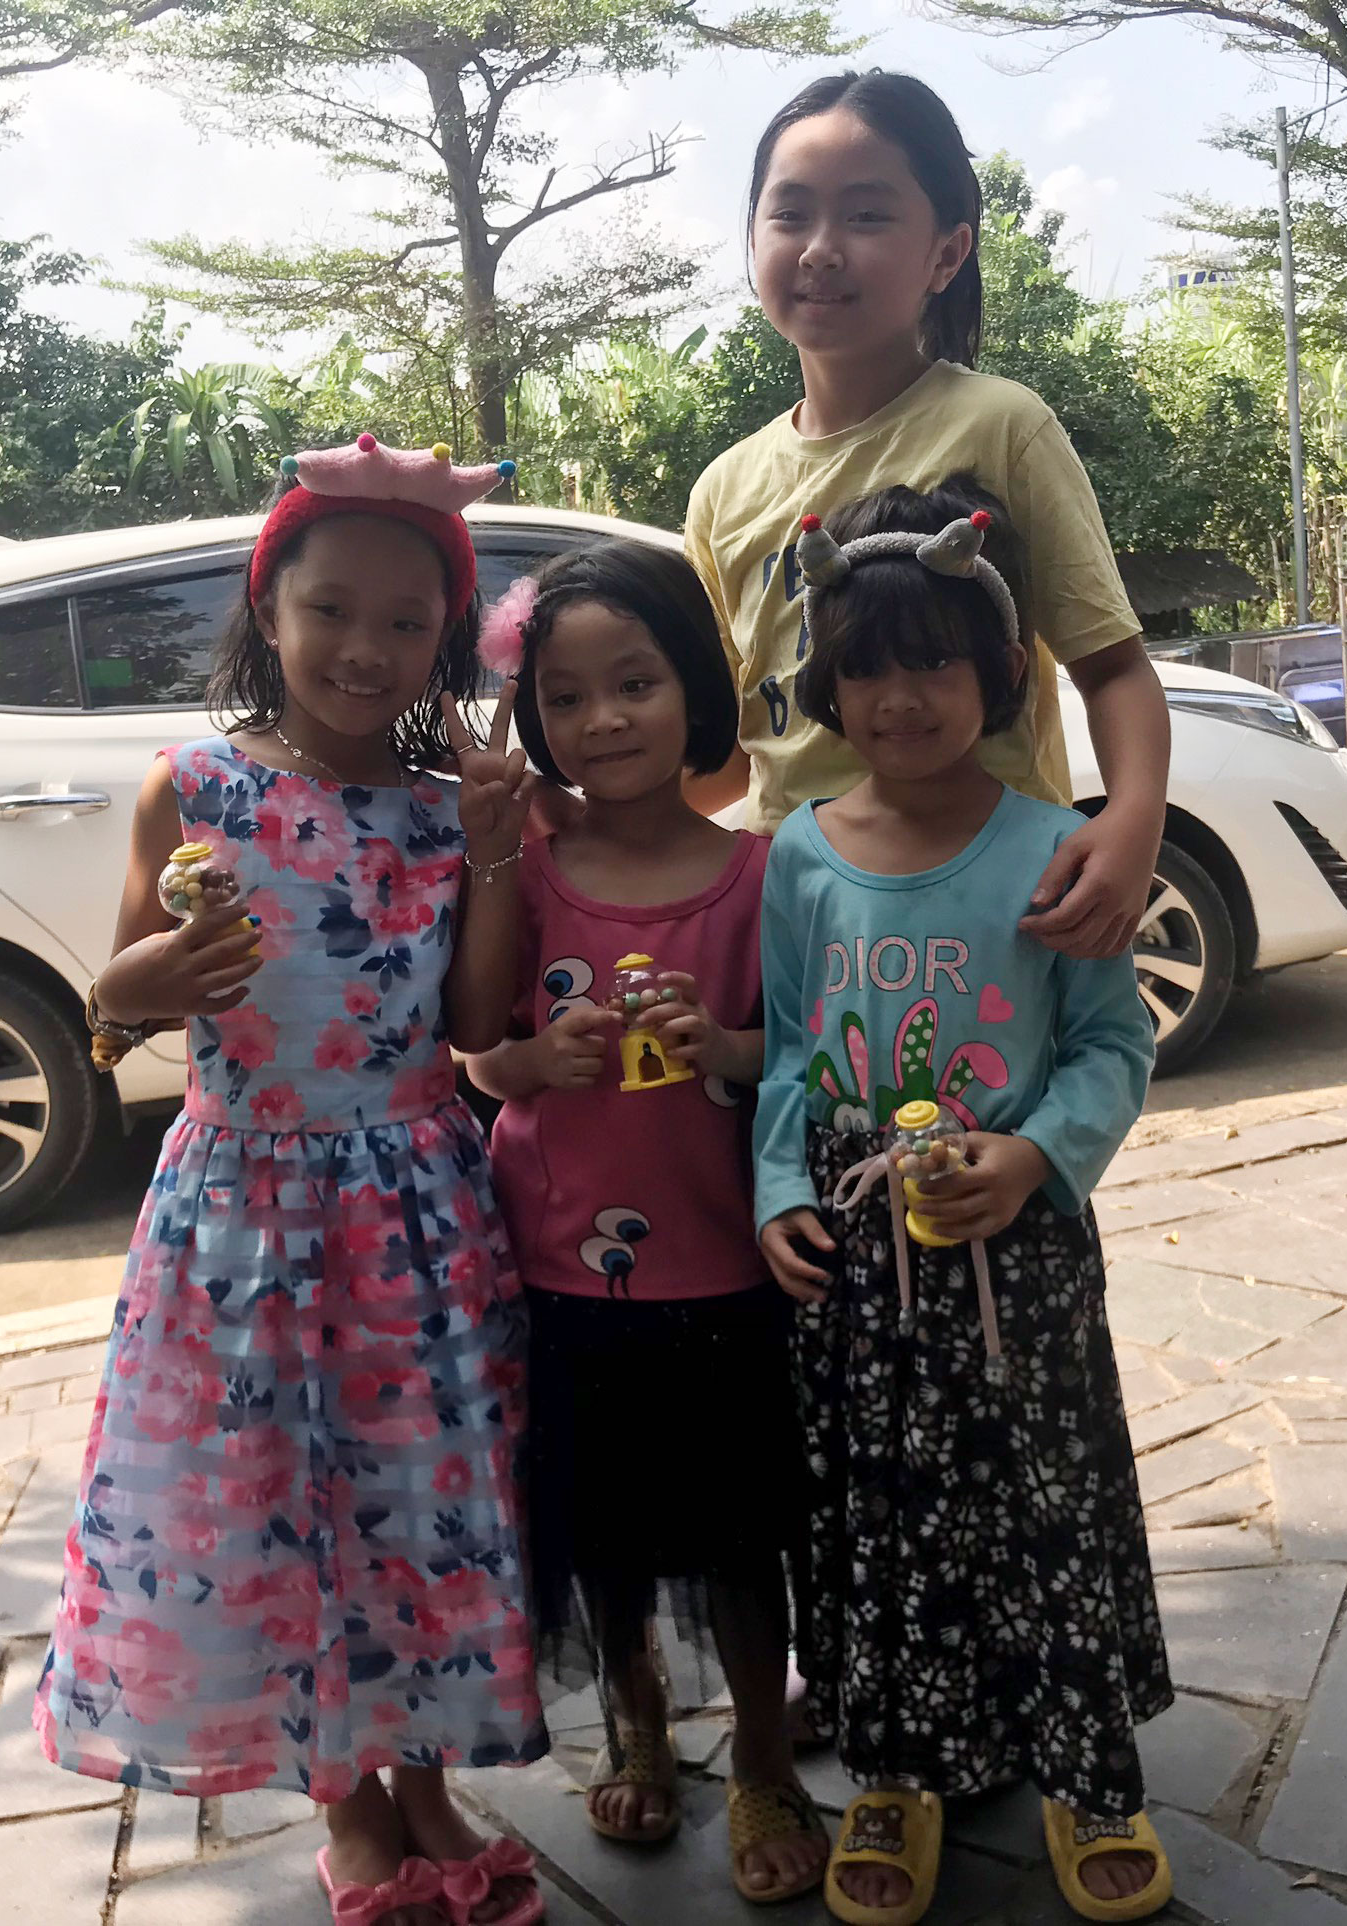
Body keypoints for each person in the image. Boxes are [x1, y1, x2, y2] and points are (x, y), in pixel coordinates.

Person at [36, 435, 551, 1926]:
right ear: (269, 609)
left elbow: (474, 1024)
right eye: (332, 609)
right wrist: (150, 977)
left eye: (407, 621)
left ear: (445, 638)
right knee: (278, 1502)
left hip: (416, 1212)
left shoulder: (449, 801)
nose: (365, 647)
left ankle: (429, 1776)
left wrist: (496, 852)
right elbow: (115, 998)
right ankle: (350, 1801)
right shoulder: (192, 787)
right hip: (243, 1214)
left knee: (414, 1504)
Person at [754, 481, 1172, 1925]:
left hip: (1019, 1245)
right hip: (857, 1252)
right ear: (829, 684)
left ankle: (1084, 1770)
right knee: (877, 1514)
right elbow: (792, 1050)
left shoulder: (1059, 842)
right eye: (868, 666)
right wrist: (776, 1191)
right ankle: (895, 1769)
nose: (902, 695)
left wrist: (1038, 1156)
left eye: (934, 660)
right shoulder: (801, 853)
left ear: (998, 671)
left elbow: (1114, 1042)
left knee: (1041, 1497)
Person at [462, 543, 830, 1906]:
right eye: (564, 697)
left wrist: (722, 1047)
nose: (603, 719)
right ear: (531, 715)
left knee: (744, 1534)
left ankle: (765, 1755)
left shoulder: (764, 874)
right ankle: (636, 1722)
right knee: (601, 1530)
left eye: (636, 683)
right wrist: (532, 1060)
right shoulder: (526, 871)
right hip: (564, 1271)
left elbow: (809, 1056)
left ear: (697, 691)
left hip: (728, 1265)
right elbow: (473, 1048)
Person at [684, 70, 1171, 966]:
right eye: (789, 214)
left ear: (946, 256)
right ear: (752, 237)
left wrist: (1134, 828)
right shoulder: (724, 489)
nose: (820, 249)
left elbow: (1113, 669)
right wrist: (586, 818)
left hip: (994, 914)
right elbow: (743, 747)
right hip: (802, 931)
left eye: (866, 216)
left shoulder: (1002, 428)